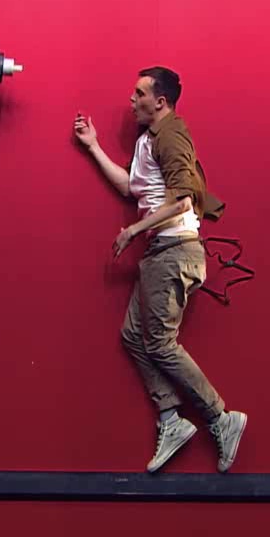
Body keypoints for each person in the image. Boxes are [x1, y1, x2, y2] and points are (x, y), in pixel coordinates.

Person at [72, 66, 247, 473]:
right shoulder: (147, 140)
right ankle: (172, 419)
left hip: (174, 250)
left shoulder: (171, 134)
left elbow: (183, 200)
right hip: (160, 253)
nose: (132, 100)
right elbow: (130, 187)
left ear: (160, 101)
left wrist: (133, 230)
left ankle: (221, 418)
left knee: (160, 343)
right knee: (134, 336)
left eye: (139, 94)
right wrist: (94, 147)